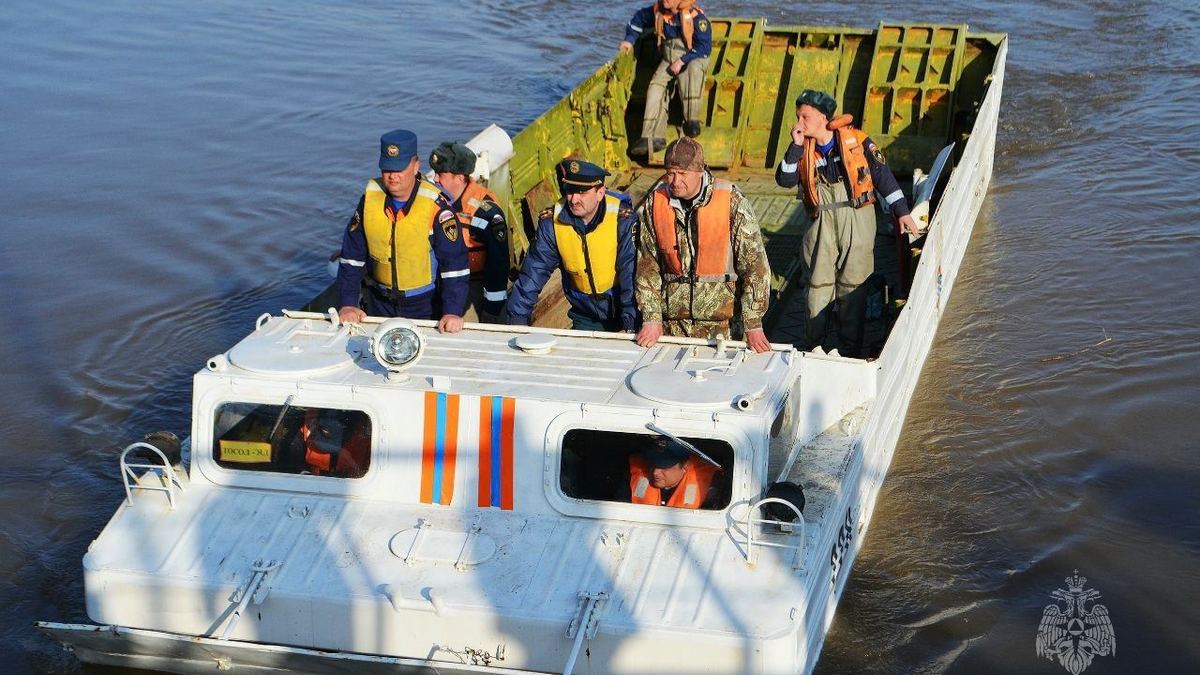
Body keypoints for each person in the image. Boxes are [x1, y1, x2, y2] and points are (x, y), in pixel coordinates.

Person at [775, 90, 919, 357]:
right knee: (817, 285)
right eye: (798, 116)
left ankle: (849, 350)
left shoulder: (858, 141)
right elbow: (784, 180)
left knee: (854, 285)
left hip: (858, 218)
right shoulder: (801, 148)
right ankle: (813, 346)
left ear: (823, 117)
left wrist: (902, 212)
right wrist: (794, 148)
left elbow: (883, 177)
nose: (799, 123)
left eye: (804, 116)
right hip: (820, 222)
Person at [635, 137, 773, 352]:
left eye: (683, 174)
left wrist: (753, 323)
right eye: (670, 173)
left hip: (723, 326)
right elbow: (647, 265)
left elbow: (755, 265)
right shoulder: (655, 203)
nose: (675, 181)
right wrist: (651, 318)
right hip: (673, 326)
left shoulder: (731, 200)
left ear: (700, 171)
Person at [335, 129, 469, 333]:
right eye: (387, 169)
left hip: (424, 306)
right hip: (378, 302)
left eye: (399, 169)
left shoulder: (437, 207)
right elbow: (351, 258)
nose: (393, 176)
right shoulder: (369, 201)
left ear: (416, 166)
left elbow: (455, 264)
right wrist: (347, 303)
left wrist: (452, 311)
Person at [505, 158, 638, 332]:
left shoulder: (622, 219)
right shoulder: (552, 223)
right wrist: (516, 320)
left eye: (582, 192)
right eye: (569, 191)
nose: (574, 199)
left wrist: (630, 324)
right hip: (585, 314)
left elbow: (630, 272)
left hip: (624, 310)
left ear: (600, 193)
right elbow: (534, 271)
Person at [429, 141, 510, 322]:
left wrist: (492, 310)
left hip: (473, 288)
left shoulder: (485, 212)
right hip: (442, 284)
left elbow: (498, 264)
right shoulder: (434, 201)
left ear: (459, 178)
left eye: (440, 174)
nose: (435, 179)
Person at [619, 0, 713, 156]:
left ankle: (692, 121)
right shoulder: (658, 12)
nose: (665, 1)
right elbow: (637, 20)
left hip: (692, 56)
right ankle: (652, 136)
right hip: (669, 58)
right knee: (656, 86)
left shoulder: (696, 17)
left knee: (691, 73)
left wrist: (682, 61)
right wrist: (629, 40)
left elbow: (704, 47)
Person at [626, 437, 722, 509]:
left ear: (685, 465)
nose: (655, 472)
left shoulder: (709, 487)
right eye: (653, 464)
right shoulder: (630, 478)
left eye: (664, 466)